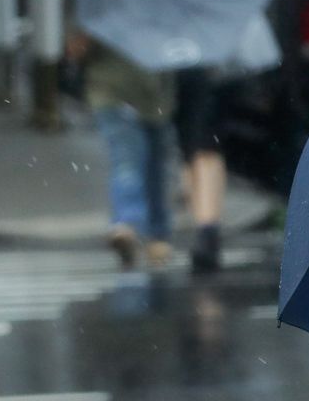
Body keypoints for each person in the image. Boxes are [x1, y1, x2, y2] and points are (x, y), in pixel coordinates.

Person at [70, 29, 175, 269]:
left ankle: (142, 229)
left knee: (147, 164)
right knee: (137, 161)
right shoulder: (108, 4)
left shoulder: (103, 3)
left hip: (148, 96)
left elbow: (75, 50)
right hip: (126, 94)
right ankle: (134, 226)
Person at [175, 68, 230, 273]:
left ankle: (207, 228)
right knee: (193, 152)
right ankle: (205, 226)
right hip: (188, 77)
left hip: (210, 76)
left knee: (204, 150)